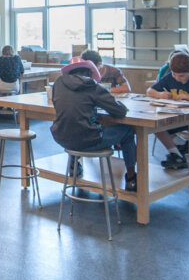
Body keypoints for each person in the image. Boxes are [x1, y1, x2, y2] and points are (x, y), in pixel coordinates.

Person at [51, 58, 138, 192]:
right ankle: (131, 178)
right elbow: (119, 112)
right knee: (127, 131)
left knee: (73, 125)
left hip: (60, 136)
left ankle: (74, 165)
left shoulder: (58, 83)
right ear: (90, 73)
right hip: (87, 140)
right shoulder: (91, 86)